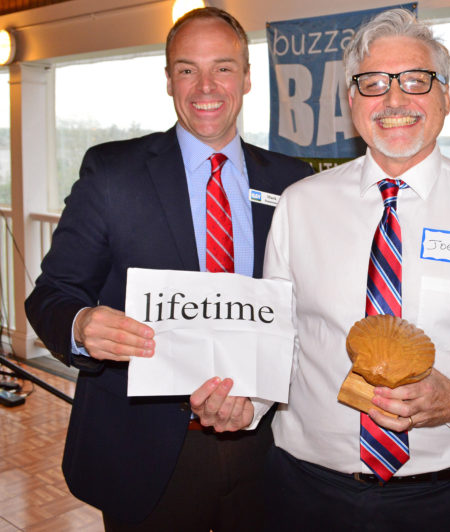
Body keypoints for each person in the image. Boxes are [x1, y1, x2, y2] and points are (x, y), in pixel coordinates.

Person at [24, 7, 312, 530]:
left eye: (223, 68)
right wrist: (81, 326)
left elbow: (303, 309)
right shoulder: (112, 172)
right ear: (168, 80)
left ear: (247, 78)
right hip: (145, 449)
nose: (206, 86)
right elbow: (52, 293)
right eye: (187, 69)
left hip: (263, 446)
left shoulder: (293, 180)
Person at [249, 8, 450, 531]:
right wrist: (243, 401)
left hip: (443, 498)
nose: (396, 100)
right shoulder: (299, 206)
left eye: (416, 81)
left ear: (446, 97)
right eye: (374, 83)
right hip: (303, 493)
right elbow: (277, 337)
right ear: (351, 101)